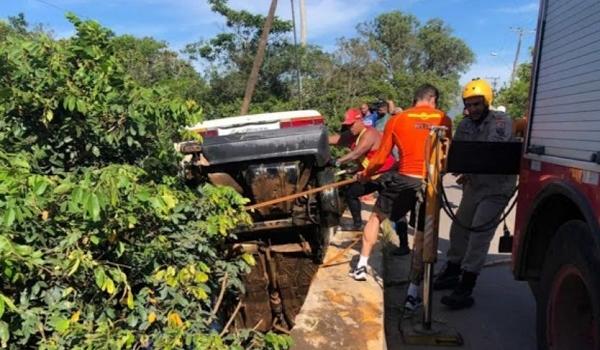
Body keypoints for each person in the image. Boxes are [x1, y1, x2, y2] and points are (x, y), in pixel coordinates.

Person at [349, 84, 452, 282]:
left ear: (416, 99)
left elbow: (380, 158)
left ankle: (361, 266)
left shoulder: (398, 120)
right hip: (430, 183)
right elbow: (445, 159)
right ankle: (414, 290)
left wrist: (366, 174)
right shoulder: (444, 119)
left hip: (404, 178)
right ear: (433, 100)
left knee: (376, 218)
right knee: (423, 234)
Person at [433, 78, 516, 309]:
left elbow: (489, 152)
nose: (472, 109)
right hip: (474, 184)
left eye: (477, 104)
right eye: (468, 105)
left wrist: (468, 165)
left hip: (496, 187)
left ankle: (466, 285)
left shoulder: (501, 121)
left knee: (479, 233)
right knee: (459, 227)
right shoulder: (466, 124)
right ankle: (452, 270)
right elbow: (462, 150)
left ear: (487, 101)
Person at [329, 109, 397, 232]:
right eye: (348, 125)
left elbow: (356, 153)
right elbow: (336, 139)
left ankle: (402, 243)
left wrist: (337, 162)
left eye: (352, 124)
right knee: (351, 193)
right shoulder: (352, 135)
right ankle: (357, 224)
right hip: (371, 175)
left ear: (360, 121)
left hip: (387, 174)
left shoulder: (369, 133)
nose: (350, 128)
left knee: (394, 210)